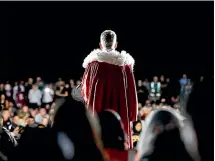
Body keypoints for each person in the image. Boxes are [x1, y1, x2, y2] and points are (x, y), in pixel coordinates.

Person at [81, 30, 138, 149]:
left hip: (98, 113)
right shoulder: (125, 66)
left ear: (100, 45)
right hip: (121, 113)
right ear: (116, 44)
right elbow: (132, 94)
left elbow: (85, 92)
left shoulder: (93, 65)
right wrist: (132, 115)